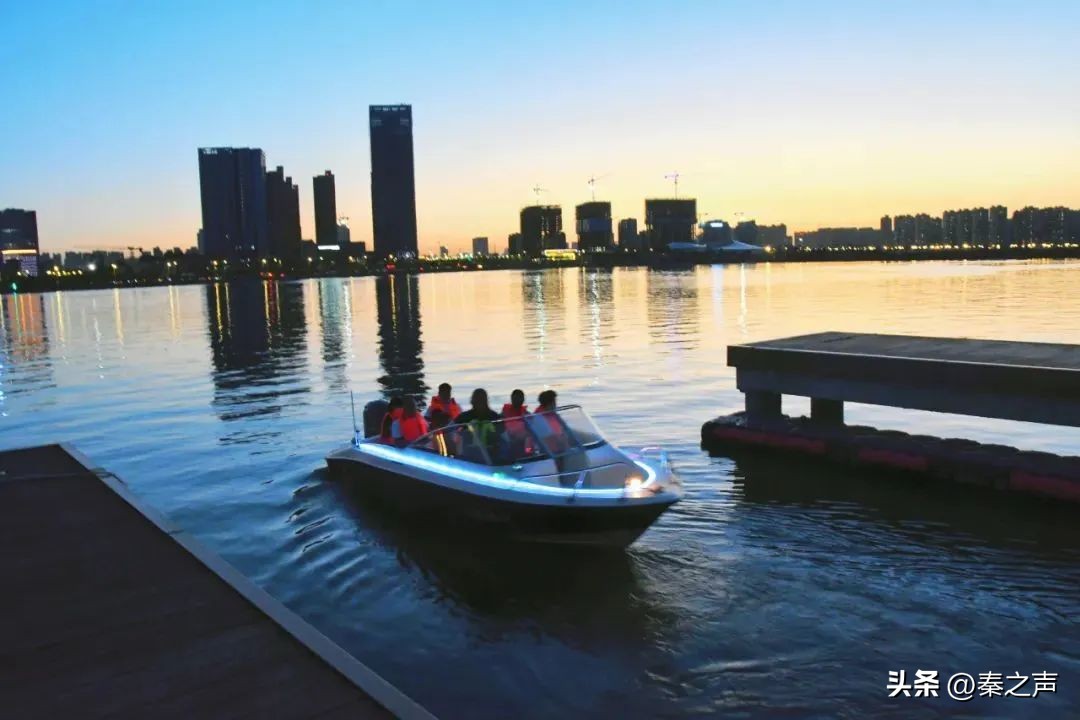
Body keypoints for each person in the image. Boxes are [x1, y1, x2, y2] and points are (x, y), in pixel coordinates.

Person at [455, 388, 501, 462]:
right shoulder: (464, 417)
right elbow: (450, 428)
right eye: (477, 400)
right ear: (473, 401)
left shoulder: (495, 417)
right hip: (469, 457)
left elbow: (504, 436)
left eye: (481, 400)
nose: (479, 403)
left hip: (492, 457)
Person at [500, 389, 531, 456]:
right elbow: (501, 430)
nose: (518, 400)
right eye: (516, 398)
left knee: (528, 443)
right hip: (509, 442)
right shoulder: (503, 414)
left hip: (524, 442)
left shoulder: (527, 414)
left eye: (520, 398)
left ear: (523, 399)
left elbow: (531, 430)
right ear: (512, 399)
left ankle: (529, 453)